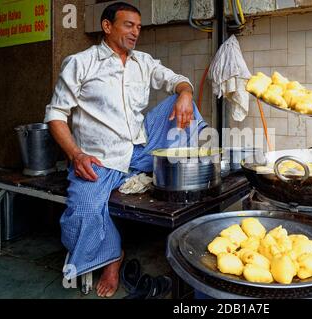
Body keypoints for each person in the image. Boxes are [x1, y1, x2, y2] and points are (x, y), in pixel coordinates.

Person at [44, 2, 205, 298]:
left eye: (139, 27)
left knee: (183, 103)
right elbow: (55, 115)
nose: (135, 32)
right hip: (100, 158)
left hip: (141, 149)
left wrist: (185, 92)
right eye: (128, 25)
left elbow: (175, 80)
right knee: (83, 213)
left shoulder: (143, 61)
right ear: (107, 27)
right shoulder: (81, 62)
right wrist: (76, 155)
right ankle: (112, 257)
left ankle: (178, 169)